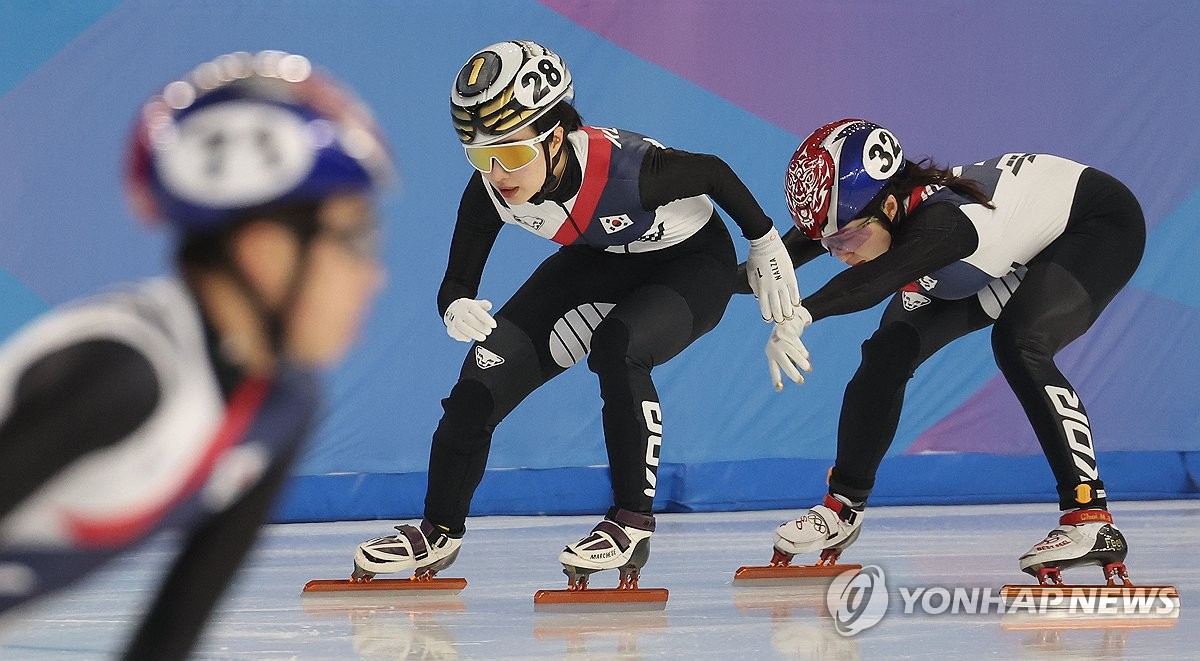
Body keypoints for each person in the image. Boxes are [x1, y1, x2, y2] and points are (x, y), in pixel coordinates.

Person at [354, 40, 798, 589]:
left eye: (512, 153)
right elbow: (457, 282)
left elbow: (714, 172)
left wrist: (764, 239)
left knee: (618, 347)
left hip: (691, 263)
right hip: (600, 260)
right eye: (478, 154)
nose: (497, 173)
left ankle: (631, 520)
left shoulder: (630, 173)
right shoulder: (491, 190)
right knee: (482, 376)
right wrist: (454, 307)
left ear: (556, 135)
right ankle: (439, 528)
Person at [0, 51, 391, 659]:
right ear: (264, 251)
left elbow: (170, 636)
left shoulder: (284, 400)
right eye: (356, 240)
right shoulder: (121, 374)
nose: (374, 277)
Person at [746, 118, 1145, 585]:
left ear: (890, 206)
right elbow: (773, 262)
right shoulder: (876, 215)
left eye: (848, 239)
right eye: (828, 243)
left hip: (1092, 228)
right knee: (885, 356)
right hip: (1004, 254)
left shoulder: (944, 223)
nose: (840, 254)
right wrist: (737, 266)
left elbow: (873, 281)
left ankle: (1090, 518)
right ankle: (842, 509)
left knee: (1020, 344)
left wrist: (800, 315)